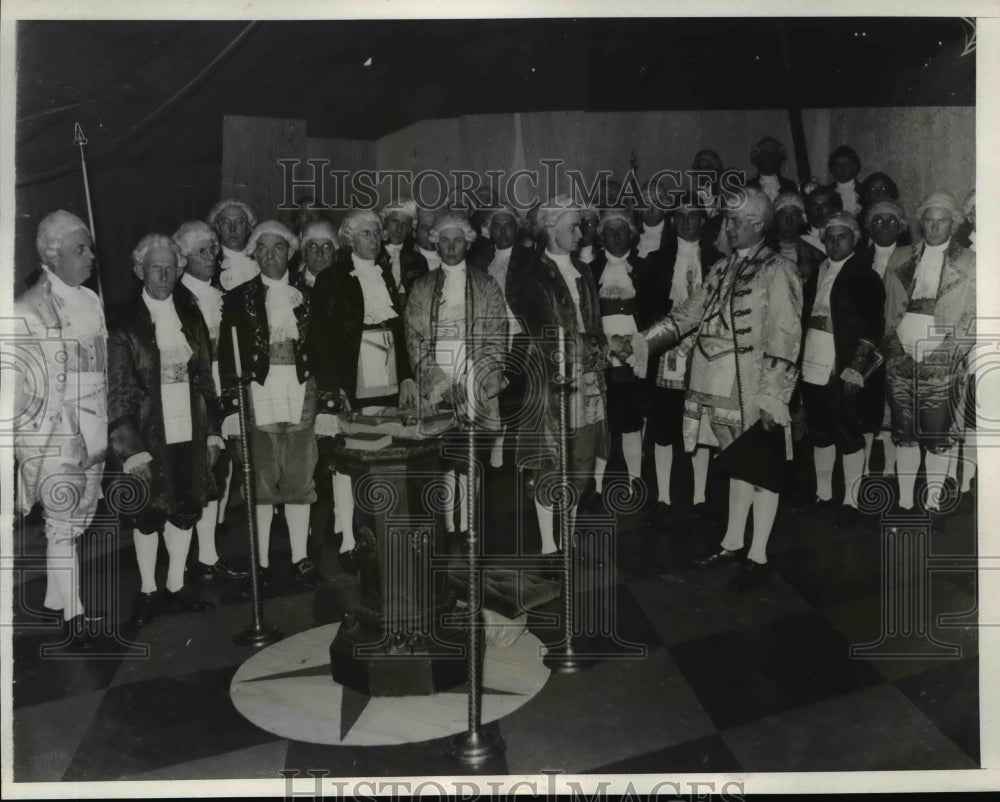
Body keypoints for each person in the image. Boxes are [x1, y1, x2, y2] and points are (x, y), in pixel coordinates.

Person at [614, 188, 802, 590]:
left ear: (756, 224)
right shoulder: (720, 268)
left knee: (763, 470)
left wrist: (774, 394)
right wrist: (642, 342)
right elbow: (686, 315)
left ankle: (759, 553)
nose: (727, 228)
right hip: (712, 382)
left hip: (752, 386)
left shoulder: (778, 269)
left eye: (734, 222)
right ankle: (734, 542)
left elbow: (785, 335)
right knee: (737, 460)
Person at [107, 235, 218, 627]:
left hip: (188, 424)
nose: (165, 274)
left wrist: (214, 432)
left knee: (185, 504)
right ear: (140, 270)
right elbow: (118, 392)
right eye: (156, 267)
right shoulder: (123, 323)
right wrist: (129, 448)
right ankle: (148, 590)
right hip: (147, 431)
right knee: (148, 511)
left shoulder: (190, 316)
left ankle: (175, 584)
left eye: (172, 266)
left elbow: (206, 378)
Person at [13, 211, 108, 648]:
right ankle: (76, 615)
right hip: (53, 432)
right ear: (52, 257)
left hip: (94, 424)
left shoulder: (90, 299)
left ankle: (55, 599)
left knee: (80, 518)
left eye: (88, 247)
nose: (90, 255)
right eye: (80, 250)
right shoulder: (27, 309)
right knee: (62, 523)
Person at [309, 210, 416, 573]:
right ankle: (348, 537)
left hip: (384, 370)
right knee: (347, 456)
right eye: (367, 234)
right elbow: (320, 340)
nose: (374, 239)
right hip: (349, 377)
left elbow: (398, 334)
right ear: (349, 240)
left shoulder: (385, 274)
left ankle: (377, 531)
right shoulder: (331, 279)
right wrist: (331, 388)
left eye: (376, 234)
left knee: (382, 448)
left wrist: (406, 376)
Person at [218, 220, 322, 587]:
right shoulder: (238, 297)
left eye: (277, 248)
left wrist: (325, 404)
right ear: (253, 254)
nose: (269, 255)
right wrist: (230, 407)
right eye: (261, 249)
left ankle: (300, 556)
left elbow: (321, 354)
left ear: (290, 252)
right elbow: (226, 356)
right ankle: (259, 560)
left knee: (298, 471)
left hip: (301, 389)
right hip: (257, 391)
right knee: (260, 475)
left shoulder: (307, 296)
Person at [404, 212, 507, 542]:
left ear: (468, 242)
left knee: (471, 453)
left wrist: (477, 381)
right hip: (439, 374)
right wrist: (442, 385)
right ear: (435, 241)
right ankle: (448, 526)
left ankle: (470, 525)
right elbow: (415, 339)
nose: (450, 247)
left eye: (457, 240)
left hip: (476, 372)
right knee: (445, 453)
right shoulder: (421, 287)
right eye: (444, 241)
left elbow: (496, 334)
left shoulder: (486, 284)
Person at [517, 196, 610, 557]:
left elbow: (594, 323)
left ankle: (568, 537)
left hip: (588, 381)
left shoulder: (584, 272)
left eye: (581, 225)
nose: (581, 232)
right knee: (552, 466)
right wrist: (609, 347)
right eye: (573, 226)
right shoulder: (532, 277)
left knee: (583, 464)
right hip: (552, 387)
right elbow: (551, 339)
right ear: (550, 229)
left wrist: (602, 356)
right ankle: (547, 546)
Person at [882, 191, 975, 529]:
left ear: (954, 223)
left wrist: (944, 356)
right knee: (904, 431)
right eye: (929, 221)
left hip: (942, 360)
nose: (935, 227)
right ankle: (906, 504)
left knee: (937, 434)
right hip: (902, 357)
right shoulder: (901, 257)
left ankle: (934, 503)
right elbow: (888, 313)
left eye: (942, 221)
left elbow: (973, 318)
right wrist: (894, 352)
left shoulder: (969, 262)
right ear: (921, 222)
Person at [799, 212, 885, 528]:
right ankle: (823, 494)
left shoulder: (865, 275)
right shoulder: (819, 271)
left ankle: (851, 499)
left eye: (842, 237)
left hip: (842, 365)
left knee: (847, 433)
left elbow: (874, 325)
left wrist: (856, 368)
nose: (836, 242)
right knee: (820, 432)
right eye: (830, 237)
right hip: (812, 362)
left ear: (855, 239)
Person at [171, 221, 247, 581]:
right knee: (197, 475)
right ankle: (188, 562)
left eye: (214, 249)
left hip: (220, 388)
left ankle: (208, 555)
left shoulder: (216, 293)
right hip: (194, 394)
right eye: (203, 251)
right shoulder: (179, 297)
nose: (213, 256)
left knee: (218, 471)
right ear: (183, 258)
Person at [641, 195, 723, 524]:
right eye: (680, 216)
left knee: (700, 423)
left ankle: (700, 496)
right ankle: (662, 495)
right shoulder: (656, 260)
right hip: (666, 355)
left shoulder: (718, 260)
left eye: (693, 216)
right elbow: (647, 312)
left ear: (704, 221)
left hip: (705, 354)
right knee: (664, 425)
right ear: (673, 221)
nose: (686, 222)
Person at [590, 208, 647, 510]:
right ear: (601, 237)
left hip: (635, 357)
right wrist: (606, 344)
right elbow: (586, 318)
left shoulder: (642, 268)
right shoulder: (590, 270)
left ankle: (634, 482)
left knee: (630, 422)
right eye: (609, 231)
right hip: (602, 358)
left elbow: (653, 314)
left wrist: (636, 344)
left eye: (621, 230)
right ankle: (597, 488)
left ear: (631, 235)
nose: (615, 235)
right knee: (603, 424)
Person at [379, 197, 429, 299]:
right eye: (395, 221)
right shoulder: (373, 255)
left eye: (405, 224)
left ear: (411, 228)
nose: (399, 229)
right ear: (385, 221)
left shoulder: (418, 261)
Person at [207, 198, 259, 291]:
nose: (232, 228)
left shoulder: (260, 260)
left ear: (248, 228)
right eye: (225, 222)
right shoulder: (210, 262)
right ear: (218, 228)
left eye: (239, 222)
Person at [745, 137, 797, 202]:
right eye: (766, 154)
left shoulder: (789, 186)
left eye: (774, 154)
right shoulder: (748, 187)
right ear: (757, 159)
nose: (770, 159)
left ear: (780, 159)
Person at [802, 185, 843, 255]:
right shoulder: (801, 238)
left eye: (824, 205)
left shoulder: (842, 236)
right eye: (815, 205)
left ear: (834, 208)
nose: (819, 210)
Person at [828, 145, 863, 216]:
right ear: (833, 168)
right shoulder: (828, 192)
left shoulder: (863, 190)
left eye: (847, 164)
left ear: (855, 167)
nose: (842, 169)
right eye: (838, 165)